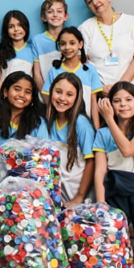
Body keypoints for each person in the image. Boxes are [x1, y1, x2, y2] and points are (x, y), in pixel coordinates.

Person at [93, 81, 134, 248]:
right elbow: (100, 171)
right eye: (117, 101)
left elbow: (128, 150)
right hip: (114, 186)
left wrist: (108, 118)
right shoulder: (103, 133)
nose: (123, 105)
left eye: (128, 99)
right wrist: (101, 202)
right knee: (114, 237)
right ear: (110, 104)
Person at [79, 0, 134, 94]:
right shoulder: (85, 28)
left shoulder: (131, 21)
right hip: (101, 91)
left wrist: (120, 86)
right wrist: (101, 88)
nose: (95, 2)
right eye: (89, 1)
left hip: (131, 89)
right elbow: (82, 61)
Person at [0, 72, 49, 179]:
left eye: (27, 92)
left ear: (32, 98)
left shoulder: (39, 123)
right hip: (2, 183)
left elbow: (44, 155)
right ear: (5, 92)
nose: (22, 95)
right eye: (17, 89)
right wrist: (3, 181)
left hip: (32, 183)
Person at [46, 73, 96, 205]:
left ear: (77, 97)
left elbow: (91, 161)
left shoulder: (81, 123)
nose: (62, 98)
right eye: (58, 92)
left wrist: (79, 196)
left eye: (69, 94)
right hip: (57, 195)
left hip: (77, 193)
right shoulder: (48, 121)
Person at [41, 27, 102, 128]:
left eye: (72, 43)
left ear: (80, 44)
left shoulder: (90, 70)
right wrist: (49, 126)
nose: (67, 47)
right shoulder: (54, 71)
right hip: (60, 124)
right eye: (63, 43)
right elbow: (50, 103)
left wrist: (96, 128)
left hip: (83, 123)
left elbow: (93, 103)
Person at [31, 0, 69, 90]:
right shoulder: (37, 40)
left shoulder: (72, 37)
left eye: (59, 11)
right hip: (46, 94)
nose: (55, 15)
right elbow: (37, 74)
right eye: (50, 11)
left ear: (66, 16)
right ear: (43, 17)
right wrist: (46, 96)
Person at [0, 10, 35, 91]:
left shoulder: (32, 49)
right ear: (6, 30)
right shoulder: (0, 49)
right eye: (11, 26)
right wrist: (6, 94)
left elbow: (35, 76)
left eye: (20, 25)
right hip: (5, 97)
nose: (16, 29)